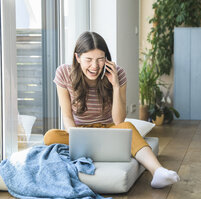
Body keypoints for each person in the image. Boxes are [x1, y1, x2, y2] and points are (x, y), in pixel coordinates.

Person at [44, 31, 180, 188]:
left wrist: (115, 84)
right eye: (88, 60)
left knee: (127, 127)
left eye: (100, 60)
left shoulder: (118, 73)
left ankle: (158, 171)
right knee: (50, 136)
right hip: (80, 132)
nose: (94, 66)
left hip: (108, 130)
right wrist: (76, 137)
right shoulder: (64, 73)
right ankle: (98, 150)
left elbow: (118, 120)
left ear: (106, 59)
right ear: (77, 58)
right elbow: (67, 116)